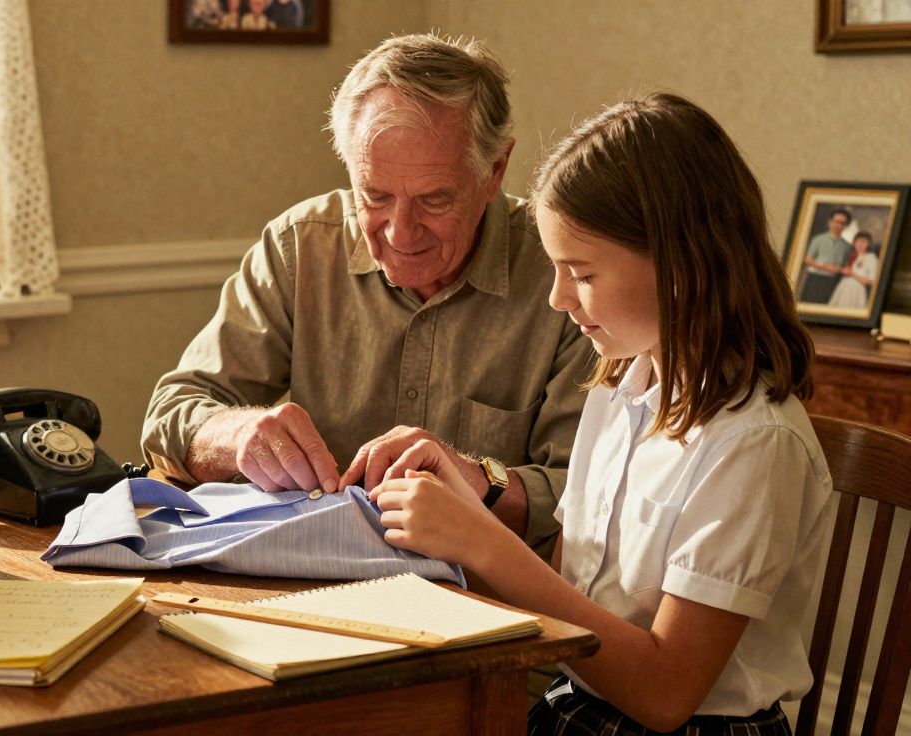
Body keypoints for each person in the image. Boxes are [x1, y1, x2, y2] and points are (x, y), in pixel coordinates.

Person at [369, 93, 834, 734]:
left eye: (582, 274)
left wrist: (481, 541)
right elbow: (566, 605)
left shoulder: (753, 443)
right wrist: (466, 511)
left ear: (680, 266)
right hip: (579, 709)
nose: (558, 298)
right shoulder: (619, 390)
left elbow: (665, 696)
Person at [141, 34, 593, 559]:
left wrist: (474, 479)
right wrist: (239, 435)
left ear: (494, 171)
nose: (400, 233)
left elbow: (590, 495)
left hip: (487, 588)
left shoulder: (565, 274)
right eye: (374, 195)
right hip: (309, 572)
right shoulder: (301, 247)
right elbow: (170, 416)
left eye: (434, 200)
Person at [799, 209, 852, 304]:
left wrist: (839, 270)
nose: (838, 225)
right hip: (816, 278)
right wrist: (826, 267)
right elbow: (807, 259)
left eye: (842, 223)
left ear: (846, 226)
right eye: (836, 221)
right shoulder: (818, 239)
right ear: (829, 222)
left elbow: (845, 265)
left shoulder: (847, 246)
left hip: (833, 281)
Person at [828, 230, 878, 309]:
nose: (859, 244)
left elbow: (872, 281)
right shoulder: (851, 255)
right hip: (843, 287)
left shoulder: (871, 258)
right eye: (857, 241)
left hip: (856, 291)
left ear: (869, 244)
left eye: (863, 241)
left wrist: (852, 274)